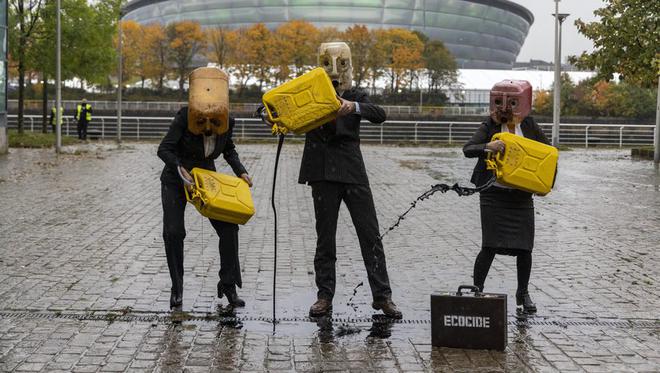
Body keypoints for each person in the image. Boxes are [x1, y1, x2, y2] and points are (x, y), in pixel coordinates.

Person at [299, 42, 401, 319]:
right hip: (322, 172)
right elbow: (284, 111)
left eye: (340, 63)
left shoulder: (356, 94)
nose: (335, 70)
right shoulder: (309, 92)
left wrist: (353, 106)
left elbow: (379, 114)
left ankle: (382, 296)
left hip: (352, 171)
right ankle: (324, 296)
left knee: (370, 235)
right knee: (325, 238)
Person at [157, 66, 253, 311]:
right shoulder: (185, 116)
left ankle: (228, 284)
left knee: (229, 228)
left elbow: (228, 149)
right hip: (177, 178)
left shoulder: (227, 120)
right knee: (174, 232)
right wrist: (179, 167)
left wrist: (240, 170)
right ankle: (177, 288)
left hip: (206, 178)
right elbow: (164, 148)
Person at [463, 80, 550, 313]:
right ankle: (477, 288)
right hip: (493, 194)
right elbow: (468, 149)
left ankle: (523, 293)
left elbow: (549, 154)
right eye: (501, 103)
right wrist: (490, 146)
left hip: (521, 196)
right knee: (490, 245)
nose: (506, 109)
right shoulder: (490, 125)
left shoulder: (530, 125)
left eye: (512, 103)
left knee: (525, 248)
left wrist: (545, 185)